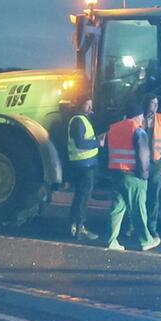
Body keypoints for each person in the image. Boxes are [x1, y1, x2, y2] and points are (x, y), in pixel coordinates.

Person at [103, 102, 159, 252]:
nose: (142, 120)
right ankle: (146, 240)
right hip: (133, 176)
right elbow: (143, 156)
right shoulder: (138, 131)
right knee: (138, 209)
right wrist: (144, 175)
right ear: (138, 117)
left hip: (116, 174)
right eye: (141, 117)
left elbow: (106, 151)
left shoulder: (113, 129)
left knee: (117, 208)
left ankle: (111, 241)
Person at [67, 99, 101, 241]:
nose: (90, 107)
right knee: (82, 197)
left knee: (80, 197)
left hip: (84, 164)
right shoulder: (78, 121)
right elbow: (80, 143)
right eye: (88, 104)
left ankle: (75, 226)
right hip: (83, 166)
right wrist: (98, 142)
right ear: (81, 105)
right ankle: (79, 228)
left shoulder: (82, 120)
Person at [142, 95, 161, 243]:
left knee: (153, 199)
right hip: (140, 164)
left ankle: (151, 228)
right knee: (138, 198)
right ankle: (134, 227)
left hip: (154, 164)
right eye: (151, 103)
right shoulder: (139, 119)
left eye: (156, 103)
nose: (154, 106)